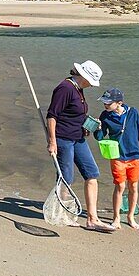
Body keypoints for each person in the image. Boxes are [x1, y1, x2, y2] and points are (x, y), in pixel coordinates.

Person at [45, 60, 112, 231]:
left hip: (79, 138)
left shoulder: (78, 89)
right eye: (91, 81)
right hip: (64, 139)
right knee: (66, 178)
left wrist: (86, 125)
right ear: (83, 76)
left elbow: (74, 114)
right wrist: (52, 142)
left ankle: (92, 219)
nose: (91, 85)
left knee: (92, 173)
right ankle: (62, 214)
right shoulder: (65, 88)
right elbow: (52, 116)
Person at [94, 88, 139, 230]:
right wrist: (98, 128)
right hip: (117, 156)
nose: (105, 105)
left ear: (119, 103)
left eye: (108, 102)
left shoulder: (133, 113)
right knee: (120, 186)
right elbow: (100, 138)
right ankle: (116, 218)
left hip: (134, 155)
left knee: (134, 186)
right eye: (104, 102)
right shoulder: (105, 116)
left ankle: (130, 217)